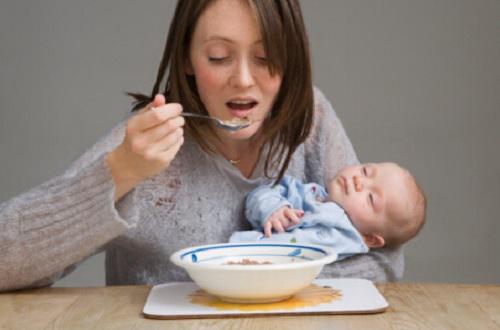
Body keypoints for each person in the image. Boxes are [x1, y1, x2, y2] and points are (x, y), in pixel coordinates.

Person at [0, 0, 405, 292]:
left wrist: (257, 288)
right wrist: (118, 174)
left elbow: (383, 257)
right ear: (189, 60)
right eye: (218, 57)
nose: (244, 80)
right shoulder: (144, 143)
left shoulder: (309, 116)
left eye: (267, 57)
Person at [230, 162, 426, 260]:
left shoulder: (341, 235)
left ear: (369, 238)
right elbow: (259, 194)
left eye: (370, 198)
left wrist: (239, 253)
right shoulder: (309, 191)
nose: (359, 181)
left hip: (243, 263)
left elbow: (288, 256)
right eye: (366, 171)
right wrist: (274, 208)